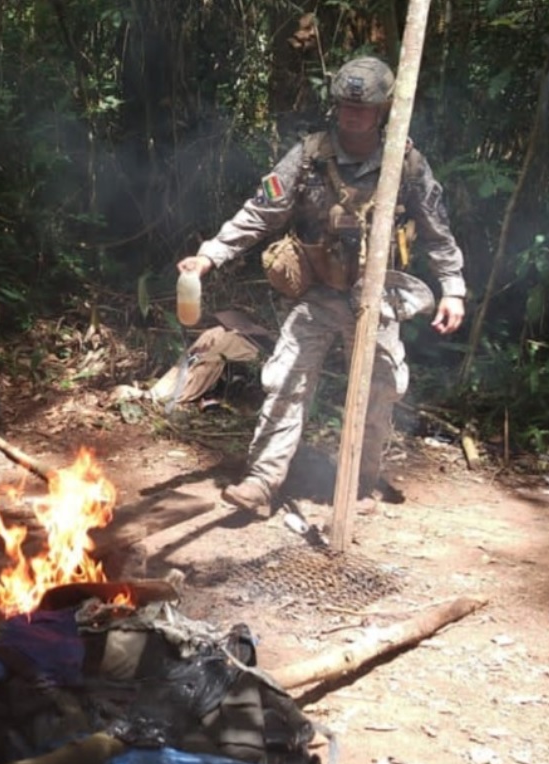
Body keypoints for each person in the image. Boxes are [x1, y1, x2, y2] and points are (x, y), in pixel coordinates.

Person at [177, 56, 466, 516]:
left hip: (379, 298)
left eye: (364, 108)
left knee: (380, 389)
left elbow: (437, 228)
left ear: (383, 109)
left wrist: (453, 287)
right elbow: (259, 212)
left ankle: (360, 481)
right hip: (318, 295)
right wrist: (210, 254)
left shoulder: (404, 163)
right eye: (346, 107)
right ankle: (262, 481)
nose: (353, 115)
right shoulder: (309, 156)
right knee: (284, 380)